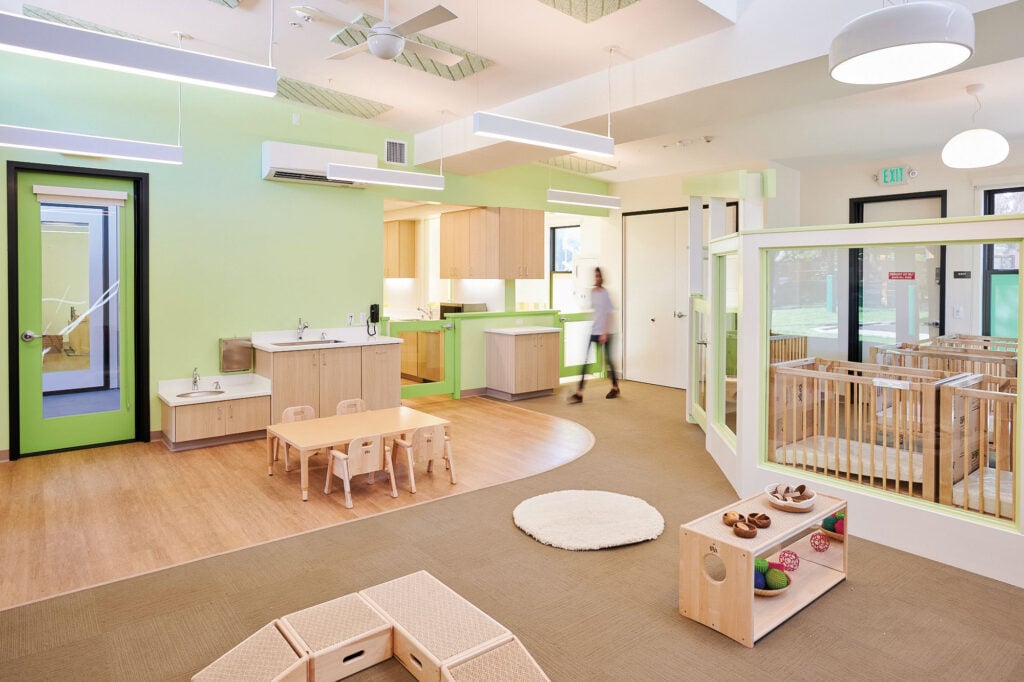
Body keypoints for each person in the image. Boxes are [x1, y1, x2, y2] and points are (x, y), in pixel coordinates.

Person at [570, 266, 619, 403]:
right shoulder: (592, 292)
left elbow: (610, 313)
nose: (596, 278)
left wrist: (605, 332)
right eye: (595, 276)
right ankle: (579, 393)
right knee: (586, 361)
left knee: (609, 361)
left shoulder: (605, 293)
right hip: (594, 330)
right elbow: (595, 311)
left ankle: (615, 387)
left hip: (607, 332)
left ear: (601, 278)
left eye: (598, 276)